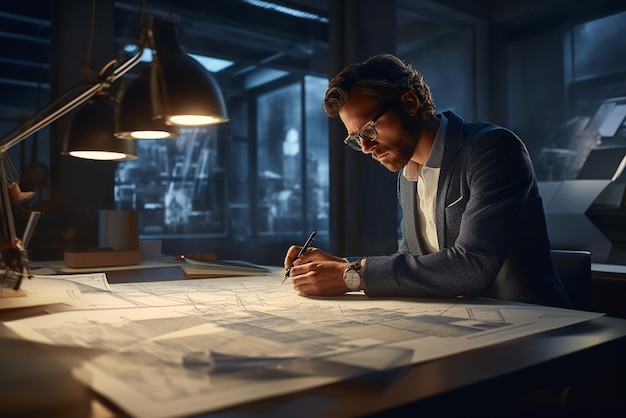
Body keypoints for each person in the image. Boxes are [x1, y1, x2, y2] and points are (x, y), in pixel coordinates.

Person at [283, 53, 573, 309]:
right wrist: (343, 266)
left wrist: (353, 276)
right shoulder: (407, 176)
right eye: (356, 139)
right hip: (465, 326)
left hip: (531, 327)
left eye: (369, 130)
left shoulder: (493, 150)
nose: (367, 147)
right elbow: (413, 259)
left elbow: (472, 265)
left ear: (409, 102)